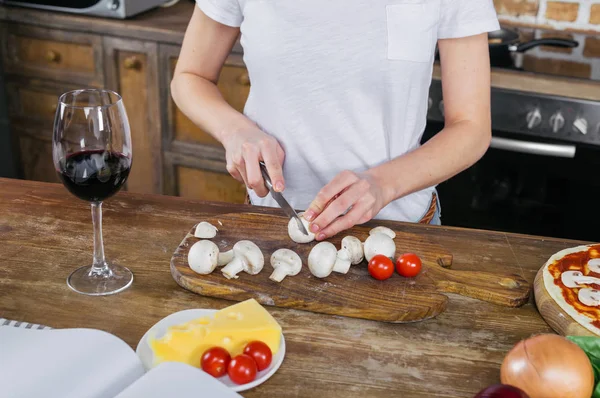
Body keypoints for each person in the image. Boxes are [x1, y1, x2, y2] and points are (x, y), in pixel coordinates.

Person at [172, 0, 499, 241]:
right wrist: (236, 131)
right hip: (273, 221)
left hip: (400, 231)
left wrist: (382, 184)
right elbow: (190, 76)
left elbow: (471, 127)